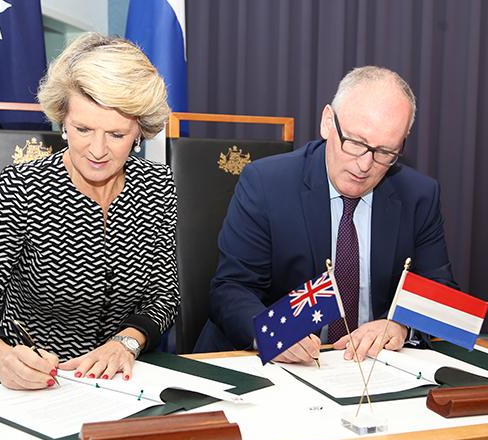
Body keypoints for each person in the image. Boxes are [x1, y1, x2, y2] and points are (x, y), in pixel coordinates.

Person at [0, 34, 179, 389]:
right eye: (83, 129)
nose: (98, 150)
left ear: (139, 132)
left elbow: (164, 295)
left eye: (116, 134)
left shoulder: (156, 185)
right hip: (37, 382)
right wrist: (1, 358)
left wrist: (127, 342)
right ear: (62, 120)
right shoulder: (24, 187)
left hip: (121, 380)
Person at [194, 66, 456, 362]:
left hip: (372, 367)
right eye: (356, 143)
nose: (365, 165)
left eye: (385, 152)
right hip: (274, 362)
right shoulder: (267, 183)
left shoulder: (418, 194)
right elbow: (231, 288)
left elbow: (439, 291)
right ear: (327, 122)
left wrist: (400, 326)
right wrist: (271, 334)